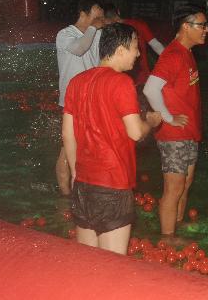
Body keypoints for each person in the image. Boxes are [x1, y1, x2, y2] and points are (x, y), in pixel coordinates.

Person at [62, 23, 162, 254]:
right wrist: (152, 122)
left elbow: (68, 133)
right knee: (113, 266)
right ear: (120, 50)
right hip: (113, 182)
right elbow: (135, 132)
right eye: (136, 48)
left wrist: (76, 173)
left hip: (84, 183)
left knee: (89, 261)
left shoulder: (76, 82)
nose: (138, 54)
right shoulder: (122, 83)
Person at [142, 5, 206, 237]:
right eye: (202, 25)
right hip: (174, 135)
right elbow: (151, 89)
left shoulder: (185, 52)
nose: (206, 30)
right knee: (174, 188)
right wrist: (168, 118)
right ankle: (168, 239)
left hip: (189, 132)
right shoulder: (173, 55)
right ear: (185, 27)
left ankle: (176, 227)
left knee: (185, 184)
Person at [55, 0, 104, 196]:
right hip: (72, 102)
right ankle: (65, 195)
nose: (100, 17)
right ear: (83, 13)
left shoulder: (97, 34)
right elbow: (79, 48)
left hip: (93, 100)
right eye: (96, 13)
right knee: (68, 150)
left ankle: (84, 190)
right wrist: (94, 28)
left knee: (89, 149)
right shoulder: (65, 34)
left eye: (101, 14)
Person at [101, 3, 165, 88]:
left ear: (104, 19)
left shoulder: (106, 32)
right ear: (118, 12)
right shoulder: (139, 24)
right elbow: (156, 45)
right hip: (140, 78)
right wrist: (170, 58)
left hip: (121, 79)